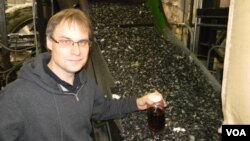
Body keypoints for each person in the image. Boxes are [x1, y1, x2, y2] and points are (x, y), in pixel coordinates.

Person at [0, 8, 167, 141]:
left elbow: (102, 109)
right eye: (66, 41)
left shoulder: (84, 82)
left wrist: (139, 102)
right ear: (49, 42)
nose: (76, 50)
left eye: (82, 42)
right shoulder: (16, 96)